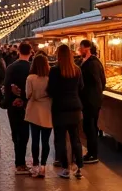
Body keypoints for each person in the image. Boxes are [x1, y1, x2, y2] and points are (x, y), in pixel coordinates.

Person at [49, 43, 85, 179]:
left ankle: (65, 168)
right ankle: (78, 167)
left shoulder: (55, 70)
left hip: (59, 108)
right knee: (76, 138)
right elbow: (81, 87)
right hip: (75, 107)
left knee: (61, 139)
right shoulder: (77, 70)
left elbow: (51, 90)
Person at [3, 42, 33, 174]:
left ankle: (18, 162)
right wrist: (24, 98)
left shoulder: (11, 67)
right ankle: (22, 162)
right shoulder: (32, 68)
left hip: (13, 105)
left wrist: (13, 98)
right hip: (28, 105)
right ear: (31, 52)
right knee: (25, 133)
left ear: (19, 51)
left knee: (16, 133)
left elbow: (7, 86)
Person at [24, 53, 53, 178]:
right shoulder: (50, 78)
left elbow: (28, 95)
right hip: (47, 110)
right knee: (45, 141)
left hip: (34, 110)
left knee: (35, 140)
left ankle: (35, 165)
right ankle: (43, 167)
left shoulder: (30, 78)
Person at [78, 39, 105, 164]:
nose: (79, 50)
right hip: (90, 100)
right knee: (89, 127)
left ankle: (93, 154)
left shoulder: (92, 64)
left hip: (91, 101)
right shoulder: (88, 62)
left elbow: (98, 82)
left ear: (87, 48)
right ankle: (91, 152)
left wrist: (92, 94)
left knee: (90, 127)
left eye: (81, 47)